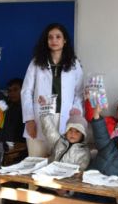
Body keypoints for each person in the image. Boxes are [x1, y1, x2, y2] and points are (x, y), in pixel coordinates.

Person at [13, 110, 90, 204]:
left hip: (66, 189)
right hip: (48, 184)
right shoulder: (59, 142)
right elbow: (49, 129)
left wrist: (67, 189)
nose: (72, 134)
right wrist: (44, 111)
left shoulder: (84, 152)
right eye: (70, 130)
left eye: (77, 131)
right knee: (33, 199)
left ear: (83, 135)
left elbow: (80, 174)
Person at [21, 23, 83, 157]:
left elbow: (79, 93)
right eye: (50, 37)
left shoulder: (74, 64)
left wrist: (76, 110)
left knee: (59, 164)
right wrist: (29, 119)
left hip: (65, 118)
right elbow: (26, 91)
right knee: (36, 162)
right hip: (39, 118)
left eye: (58, 37)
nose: (54, 40)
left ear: (65, 40)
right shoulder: (36, 62)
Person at [1, 78, 25, 143]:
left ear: (23, 90)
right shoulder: (6, 107)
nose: (12, 93)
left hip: (23, 146)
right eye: (9, 91)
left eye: (15, 90)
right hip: (7, 145)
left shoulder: (29, 108)